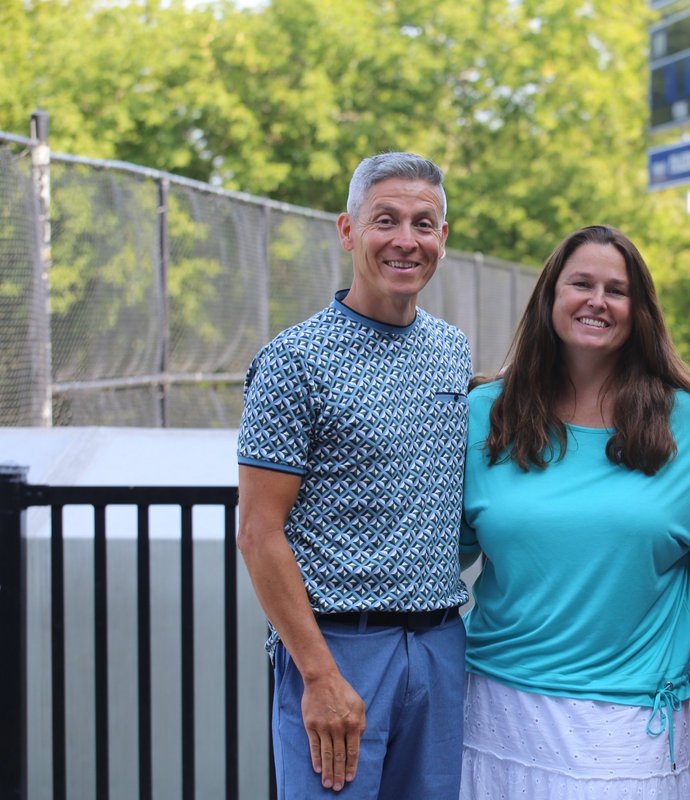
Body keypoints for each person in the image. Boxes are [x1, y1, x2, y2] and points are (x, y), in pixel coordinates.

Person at [459, 224, 690, 799]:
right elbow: (436, 563)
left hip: (629, 727)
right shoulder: (484, 416)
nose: (597, 300)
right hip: (492, 709)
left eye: (616, 290)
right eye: (581, 284)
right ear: (549, 297)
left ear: (639, 310)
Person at [237, 152, 471, 799]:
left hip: (440, 645)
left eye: (424, 223)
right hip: (338, 649)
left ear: (443, 239)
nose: (406, 239)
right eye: (385, 220)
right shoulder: (293, 361)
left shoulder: (453, 352)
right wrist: (318, 674)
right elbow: (259, 532)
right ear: (348, 230)